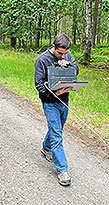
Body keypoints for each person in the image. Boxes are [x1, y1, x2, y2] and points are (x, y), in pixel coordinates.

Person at [34, 33, 79, 186]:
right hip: (49, 101)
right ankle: (62, 170)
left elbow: (76, 70)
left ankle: (46, 148)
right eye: (60, 53)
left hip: (64, 99)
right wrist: (53, 92)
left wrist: (68, 64)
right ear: (53, 47)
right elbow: (39, 84)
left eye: (65, 53)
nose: (62, 56)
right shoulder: (42, 60)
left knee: (57, 129)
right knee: (57, 134)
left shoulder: (67, 55)